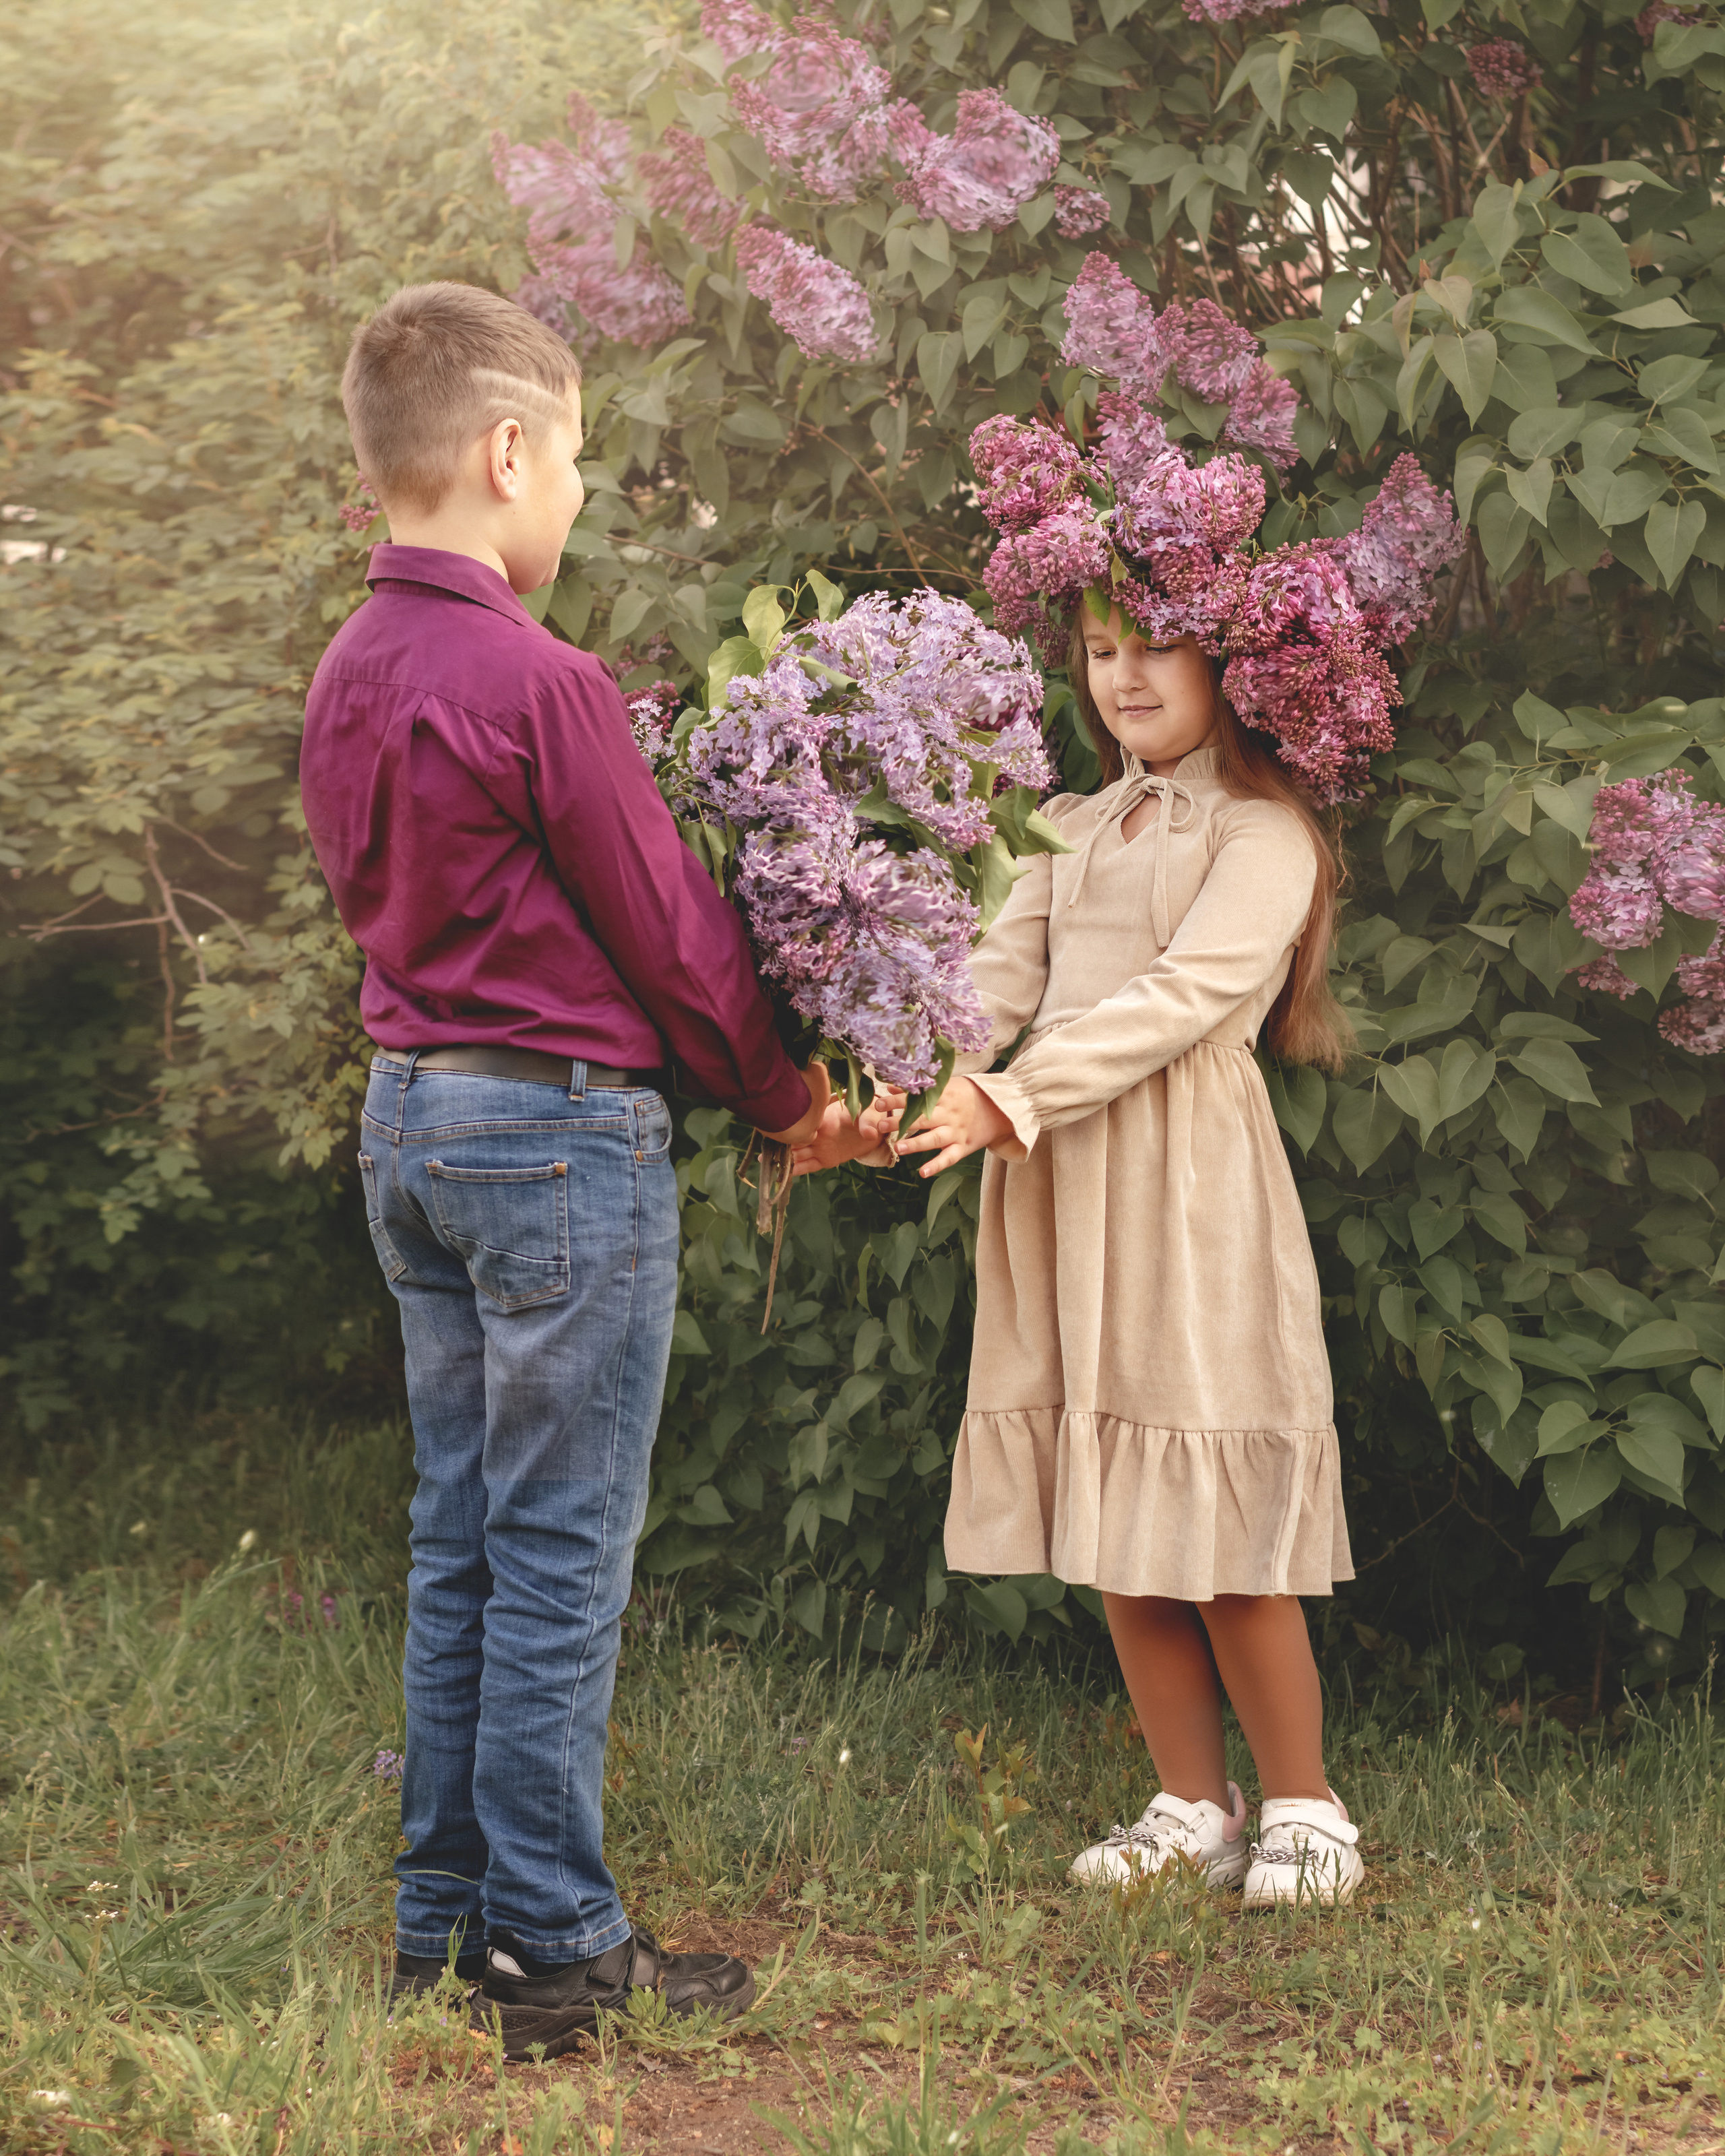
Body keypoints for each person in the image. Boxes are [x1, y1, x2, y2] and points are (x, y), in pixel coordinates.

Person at [300, 281, 833, 2059]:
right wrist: (784, 1096)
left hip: (412, 1122)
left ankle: (438, 1920)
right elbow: (674, 937)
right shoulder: (542, 680)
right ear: (508, 450)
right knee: (554, 1560)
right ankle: (555, 1944)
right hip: (552, 1138)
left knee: (460, 1537)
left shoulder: (346, 668)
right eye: (580, 462)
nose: (581, 498)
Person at [797, 616, 1364, 1907]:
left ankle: (1305, 1805)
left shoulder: (1261, 834)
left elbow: (1190, 995)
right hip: (1065, 1183)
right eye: (1103, 649)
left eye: (1158, 649)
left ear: (1234, 665)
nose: (1124, 677)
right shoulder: (1067, 822)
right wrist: (888, 1091)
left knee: (1216, 1508)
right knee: (1114, 1495)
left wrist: (1020, 1095)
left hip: (1189, 1189)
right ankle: (1189, 1803)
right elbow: (985, 991)